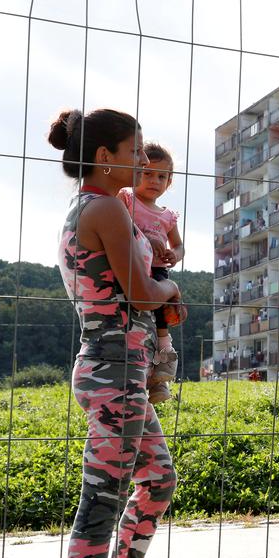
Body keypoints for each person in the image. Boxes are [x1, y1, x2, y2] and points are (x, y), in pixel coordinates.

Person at [49, 108, 185, 558]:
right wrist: (170, 291)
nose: (143, 159)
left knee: (157, 479)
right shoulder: (104, 206)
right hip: (114, 375)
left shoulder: (92, 206)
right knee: (101, 499)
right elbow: (144, 292)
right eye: (135, 151)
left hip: (118, 372)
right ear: (104, 158)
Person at [119, 143, 184, 404]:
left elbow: (179, 245)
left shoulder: (167, 216)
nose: (154, 181)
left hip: (157, 271)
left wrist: (174, 255)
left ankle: (163, 366)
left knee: (161, 316)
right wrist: (144, 237)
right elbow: (120, 226)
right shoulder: (126, 199)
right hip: (132, 266)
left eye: (161, 176)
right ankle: (160, 363)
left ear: (169, 182)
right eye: (148, 173)